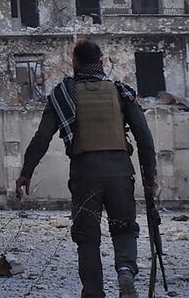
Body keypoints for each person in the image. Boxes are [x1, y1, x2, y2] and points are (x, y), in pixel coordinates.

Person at [16, 40, 157, 298]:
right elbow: (144, 138)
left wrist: (26, 172)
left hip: (84, 176)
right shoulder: (121, 92)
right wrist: (150, 178)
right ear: (101, 63)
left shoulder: (62, 95)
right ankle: (125, 271)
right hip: (120, 174)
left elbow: (42, 138)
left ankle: (93, 292)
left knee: (87, 238)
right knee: (124, 228)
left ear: (75, 63)